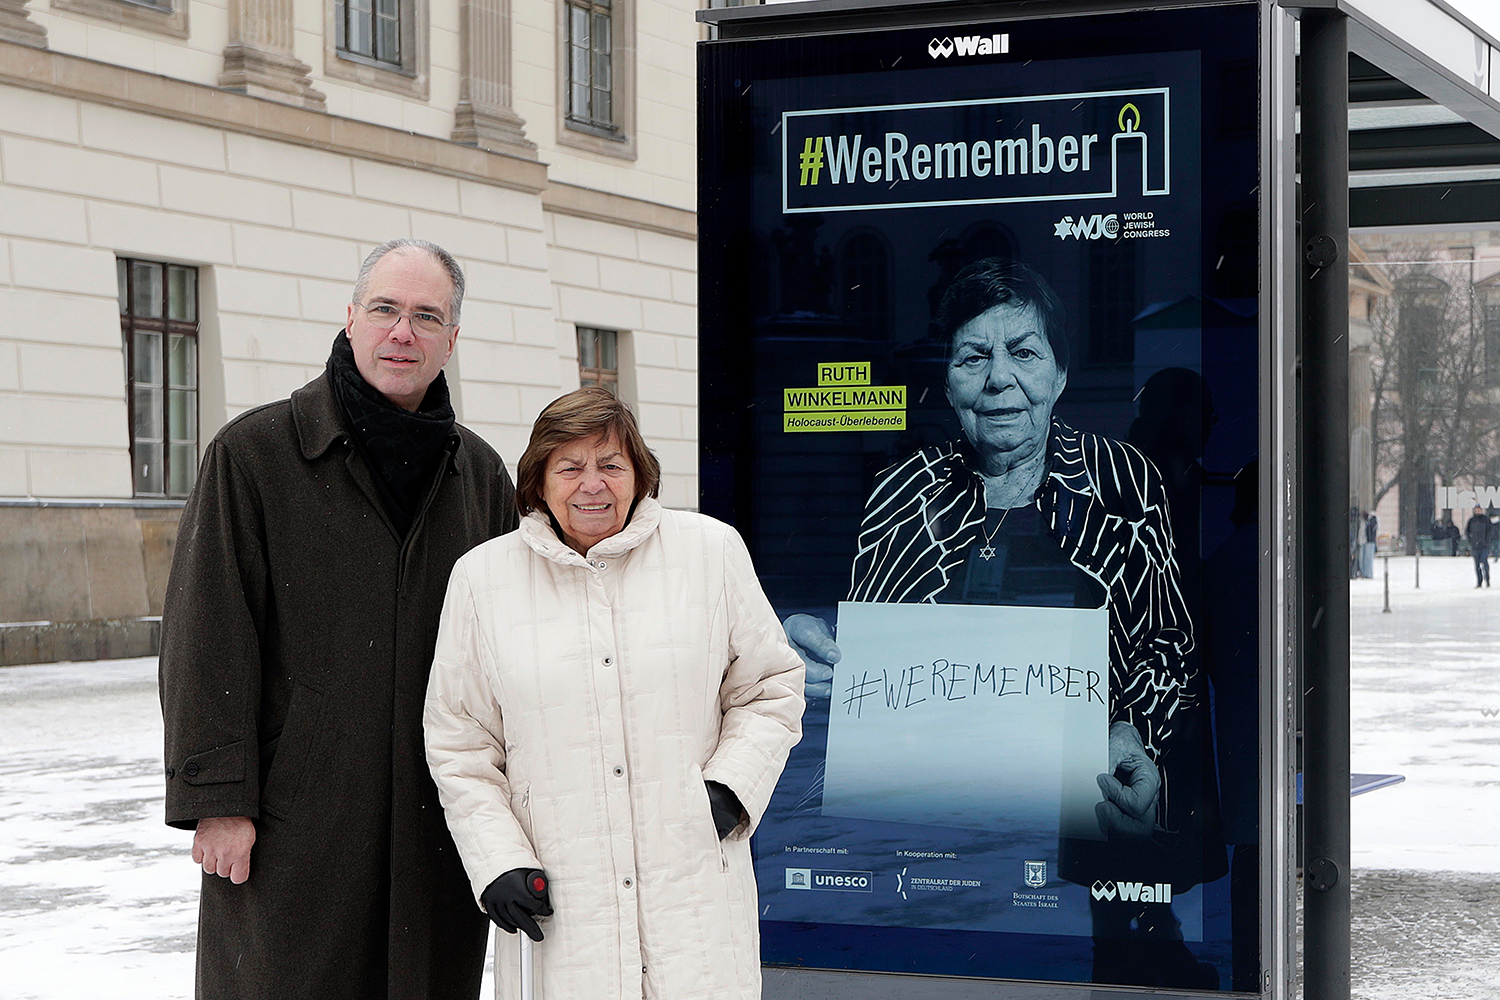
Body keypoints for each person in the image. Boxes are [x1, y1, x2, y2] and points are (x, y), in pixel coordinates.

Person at [785, 256, 1222, 987]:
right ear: (947, 379)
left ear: (1059, 374)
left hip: (1088, 810)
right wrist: (812, 653)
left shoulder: (1121, 479)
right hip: (937, 836)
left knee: (1101, 968)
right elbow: (869, 648)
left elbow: (1170, 642)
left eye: (1024, 352)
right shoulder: (900, 491)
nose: (999, 379)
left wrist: (1132, 730)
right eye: (973, 356)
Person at [158, 239, 518, 999]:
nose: (403, 332)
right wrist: (218, 801)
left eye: (427, 316)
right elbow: (206, 636)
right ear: (350, 317)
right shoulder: (253, 455)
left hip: (434, 820)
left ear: (452, 340)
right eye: (385, 309)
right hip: (296, 817)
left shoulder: (480, 475)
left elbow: (510, 654)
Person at [424, 388, 805, 999]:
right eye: (569, 467)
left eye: (610, 465)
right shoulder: (480, 579)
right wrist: (497, 859)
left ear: (640, 475)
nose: (592, 485)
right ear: (539, 483)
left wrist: (730, 789)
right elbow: (460, 743)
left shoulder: (710, 551)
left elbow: (770, 685)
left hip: (692, 890)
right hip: (565, 903)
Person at [1467, 504, 1491, 587]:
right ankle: (1479, 582)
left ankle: (1487, 580)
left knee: (1484, 562)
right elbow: (1467, 531)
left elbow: (1490, 531)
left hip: (1484, 546)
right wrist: (1471, 540)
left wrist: (1487, 541)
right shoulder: (1471, 520)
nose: (1478, 511)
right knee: (1477, 565)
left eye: (1479, 510)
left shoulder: (1485, 520)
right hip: (1475, 546)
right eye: (1476, 510)